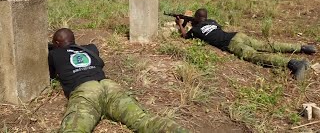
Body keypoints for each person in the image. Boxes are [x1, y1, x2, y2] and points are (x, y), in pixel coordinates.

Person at [49, 28, 188, 133]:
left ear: (56, 43)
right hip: (109, 86)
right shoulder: (91, 48)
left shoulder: (54, 53)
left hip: (86, 92)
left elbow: (52, 73)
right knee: (143, 120)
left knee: (74, 129)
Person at [175, 8, 317, 80]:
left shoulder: (195, 29)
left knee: (255, 56)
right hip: (237, 35)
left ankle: (294, 63)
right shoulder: (211, 21)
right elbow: (206, 25)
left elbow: (184, 36)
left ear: (196, 18)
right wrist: (190, 20)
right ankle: (302, 47)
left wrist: (180, 23)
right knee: (267, 45)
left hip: (231, 43)